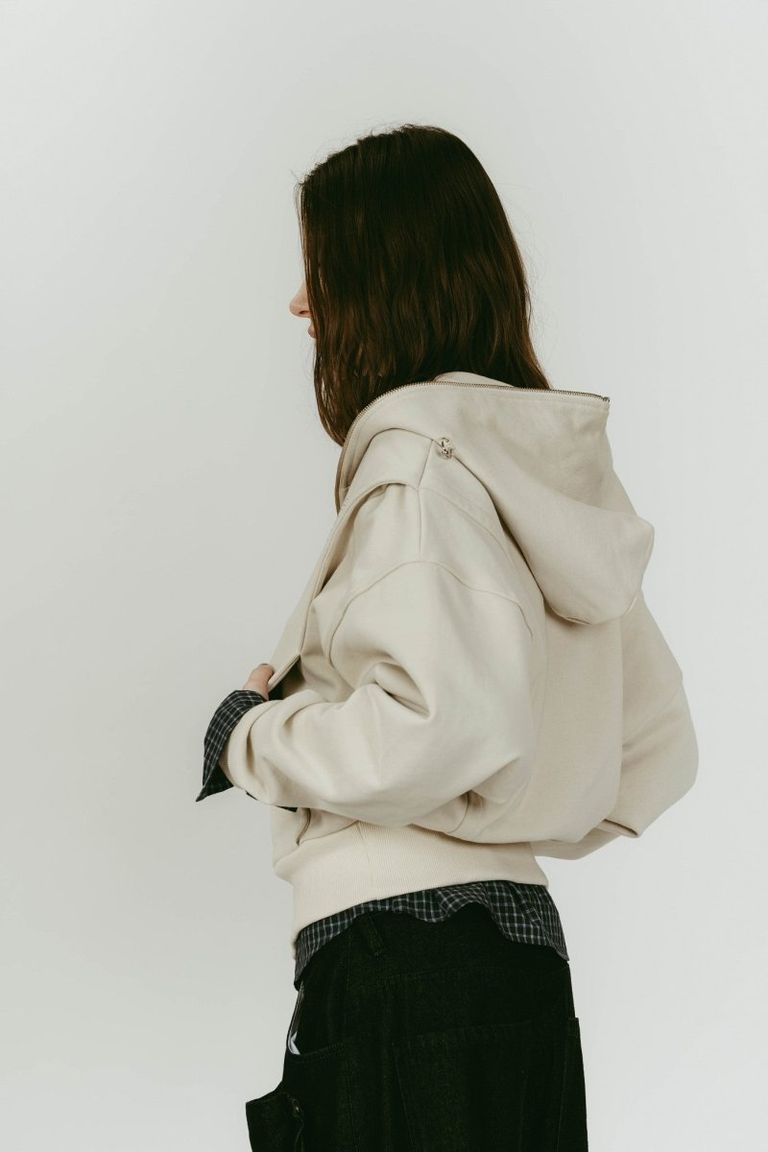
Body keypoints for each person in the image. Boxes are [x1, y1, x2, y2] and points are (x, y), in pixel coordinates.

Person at [196, 123, 699, 1151]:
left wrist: (249, 734)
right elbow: (655, 747)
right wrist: (506, 810)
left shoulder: (416, 476)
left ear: (381, 281)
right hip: (520, 959)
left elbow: (431, 727)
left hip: (396, 963)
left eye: (321, 269)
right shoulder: (545, 488)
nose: (301, 304)